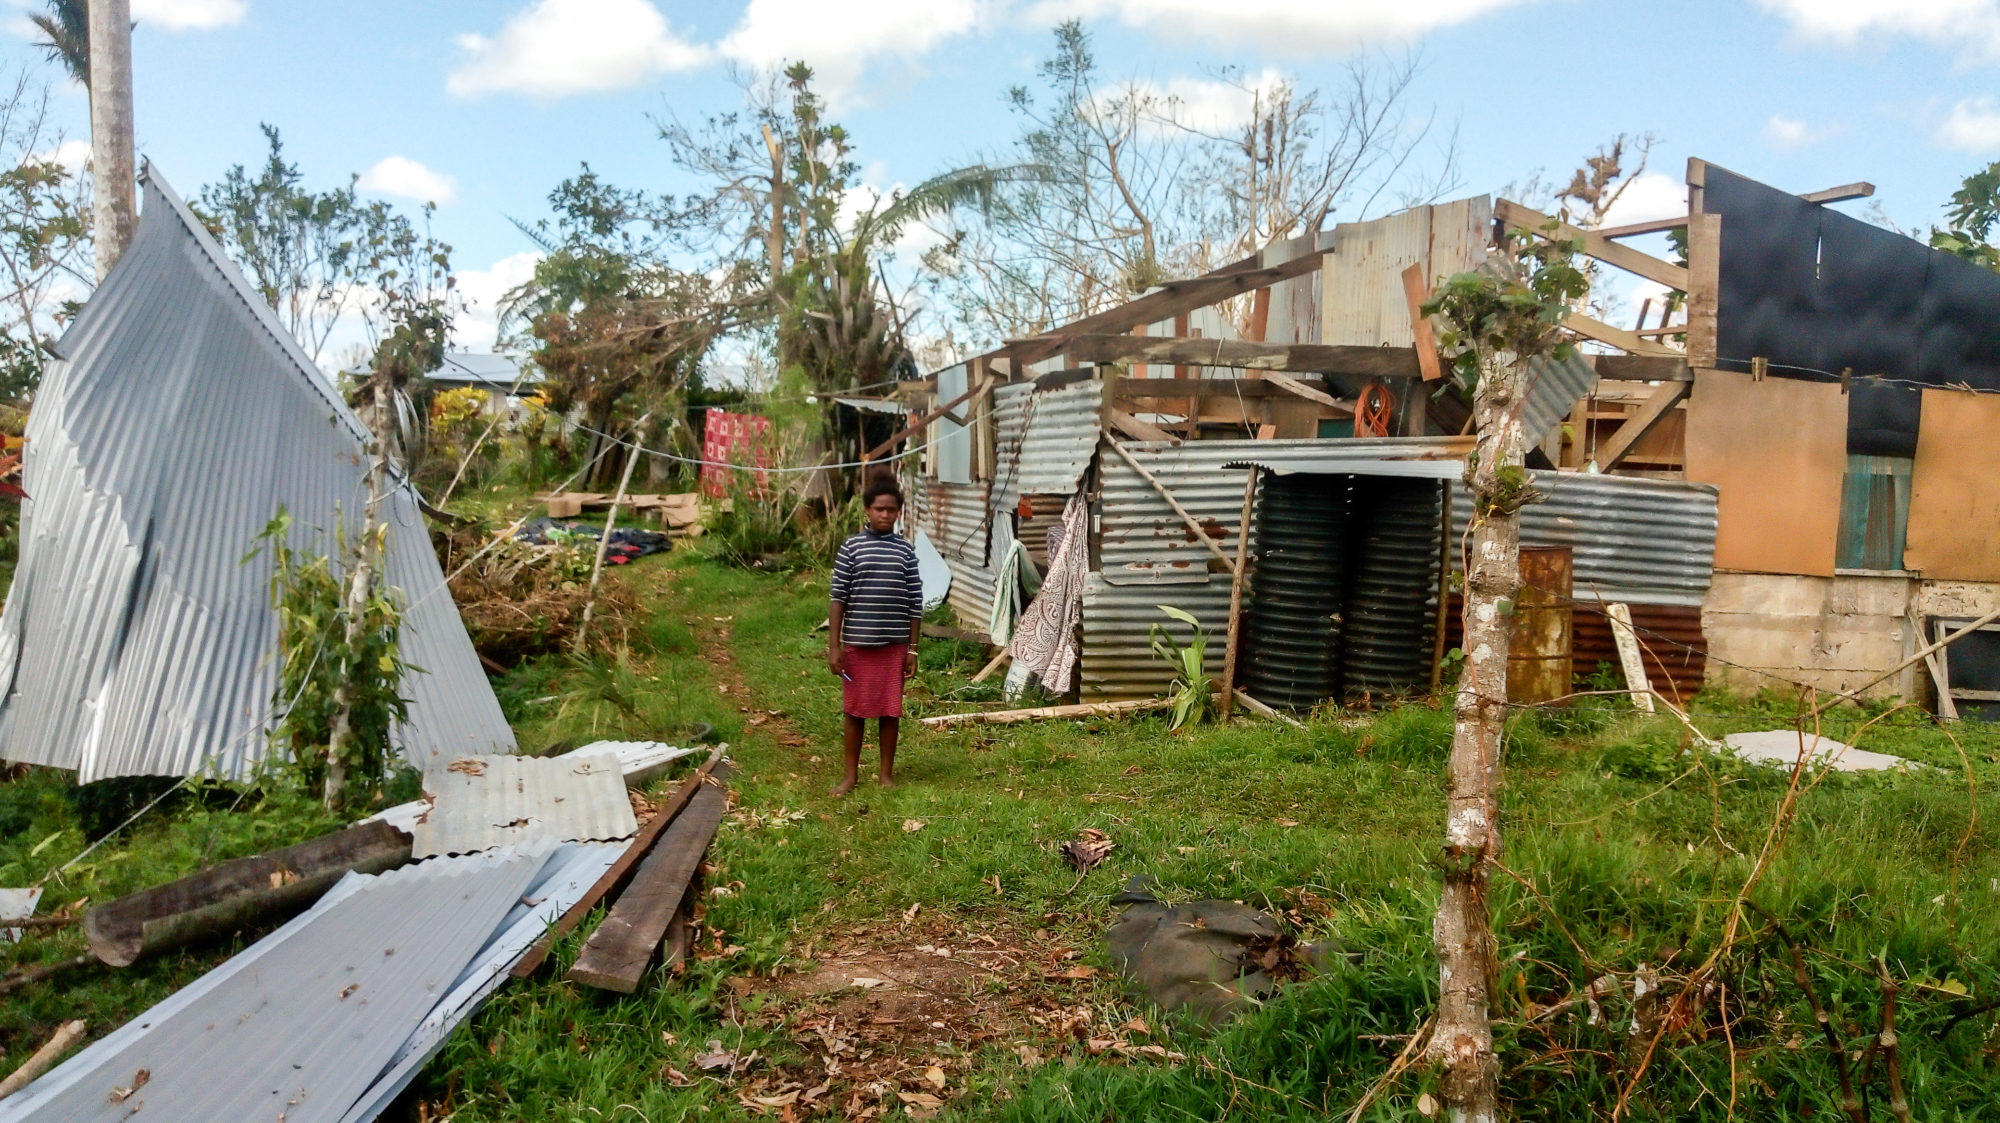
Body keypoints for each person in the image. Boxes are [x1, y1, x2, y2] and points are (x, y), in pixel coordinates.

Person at [827, 478, 923, 795]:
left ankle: (885, 775)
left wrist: (913, 649)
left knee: (889, 710)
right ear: (867, 509)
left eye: (892, 510)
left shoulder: (906, 552)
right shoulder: (851, 547)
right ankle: (850, 776)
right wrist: (834, 647)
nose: (885, 515)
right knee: (855, 711)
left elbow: (915, 602)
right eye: (879, 508)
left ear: (898, 513)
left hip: (894, 647)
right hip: (857, 646)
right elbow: (838, 598)